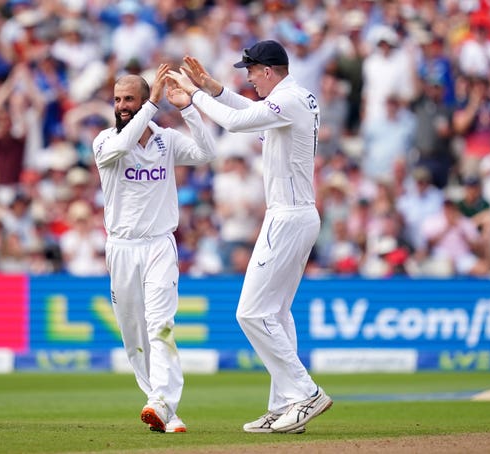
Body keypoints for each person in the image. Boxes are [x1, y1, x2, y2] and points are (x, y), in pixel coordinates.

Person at [167, 40, 332, 434]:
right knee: (275, 313)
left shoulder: (290, 99)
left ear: (269, 70)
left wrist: (192, 98)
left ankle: (305, 393)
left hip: (288, 216)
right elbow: (252, 111)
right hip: (295, 214)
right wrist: (212, 88)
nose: (250, 78)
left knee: (251, 313)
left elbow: (237, 123)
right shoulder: (298, 97)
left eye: (252, 71)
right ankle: (285, 403)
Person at [92, 63, 216, 433]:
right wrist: (152, 107)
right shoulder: (105, 141)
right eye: (117, 99)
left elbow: (206, 152)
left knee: (160, 325)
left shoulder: (166, 140)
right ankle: (163, 408)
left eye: (129, 98)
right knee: (134, 336)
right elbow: (124, 143)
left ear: (145, 100)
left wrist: (188, 107)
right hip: (121, 248)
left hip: (160, 245)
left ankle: (160, 401)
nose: (122, 105)